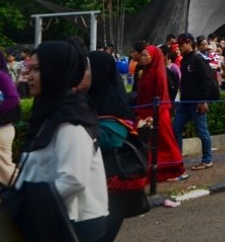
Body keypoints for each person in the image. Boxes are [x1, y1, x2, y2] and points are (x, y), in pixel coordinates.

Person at [17, 41, 108, 240]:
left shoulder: (70, 121)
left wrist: (30, 203)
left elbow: (73, 180)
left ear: (55, 70)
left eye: (37, 69)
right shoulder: (48, 112)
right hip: (54, 217)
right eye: (29, 68)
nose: (29, 76)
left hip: (73, 222)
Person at [88, 50, 144, 242]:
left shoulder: (114, 102)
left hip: (112, 185)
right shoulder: (89, 98)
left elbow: (110, 140)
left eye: (87, 68)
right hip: (93, 185)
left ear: (99, 71)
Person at [136, 45, 186, 181]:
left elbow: (161, 95)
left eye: (146, 55)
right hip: (146, 112)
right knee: (152, 144)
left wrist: (154, 115)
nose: (143, 57)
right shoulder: (145, 71)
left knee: (166, 142)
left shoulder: (159, 73)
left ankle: (174, 169)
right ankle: (156, 171)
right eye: (143, 55)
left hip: (158, 113)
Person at [173, 32, 215, 170]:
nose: (179, 47)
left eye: (181, 44)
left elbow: (207, 80)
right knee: (176, 127)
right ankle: (177, 158)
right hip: (185, 102)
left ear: (189, 43)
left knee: (202, 131)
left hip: (197, 102)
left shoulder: (198, 59)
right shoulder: (184, 59)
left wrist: (203, 101)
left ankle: (207, 159)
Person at [0, 52, 21, 186]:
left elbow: (14, 99)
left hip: (2, 130)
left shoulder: (1, 76)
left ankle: (25, 191)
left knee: (6, 170)